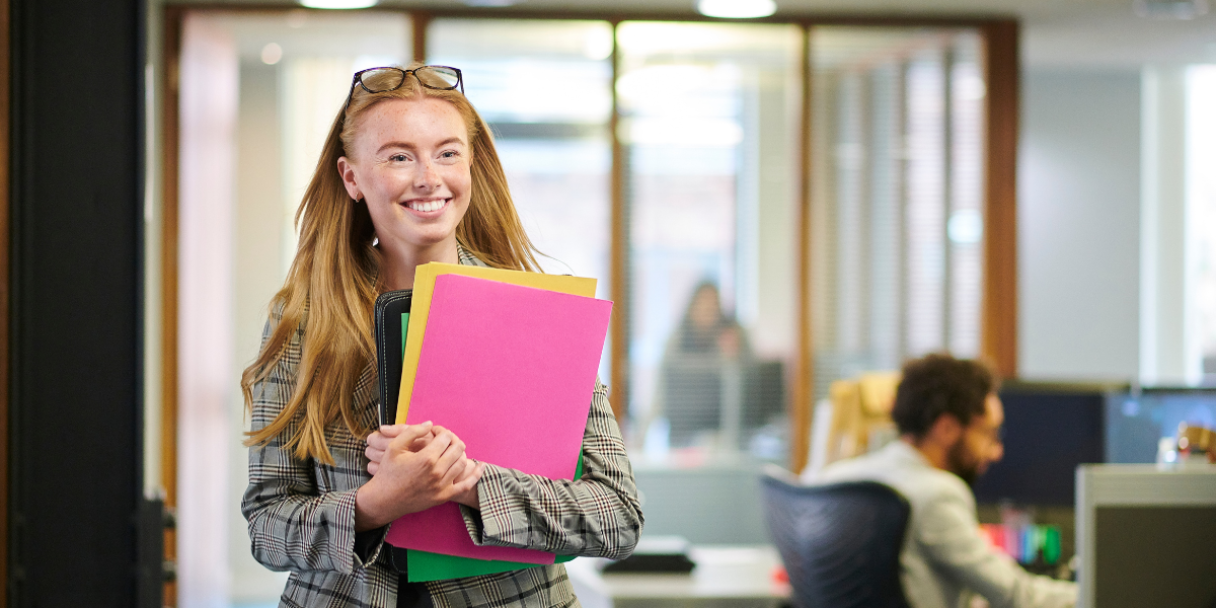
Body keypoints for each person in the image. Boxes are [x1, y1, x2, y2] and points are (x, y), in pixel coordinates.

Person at [240, 64, 643, 608]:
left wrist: (468, 481)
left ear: (470, 166)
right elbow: (266, 527)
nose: (428, 176)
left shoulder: (537, 314)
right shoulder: (302, 321)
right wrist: (372, 505)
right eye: (399, 156)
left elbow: (616, 518)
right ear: (352, 178)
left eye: (448, 153)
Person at [802, 353, 1076, 608]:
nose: (996, 451)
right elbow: (1017, 595)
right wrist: (1104, 593)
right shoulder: (937, 494)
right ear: (946, 429)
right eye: (989, 434)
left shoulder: (835, 477)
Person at [652, 281, 752, 448]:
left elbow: (747, 384)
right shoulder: (677, 341)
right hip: (681, 436)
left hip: (722, 434)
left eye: (713, 306)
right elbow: (660, 390)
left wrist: (731, 356)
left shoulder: (730, 336)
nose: (708, 312)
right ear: (692, 307)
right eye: (703, 305)